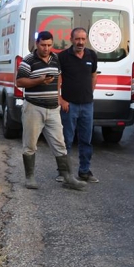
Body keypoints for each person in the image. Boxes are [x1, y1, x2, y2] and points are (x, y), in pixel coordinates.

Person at [16, 31, 85, 191]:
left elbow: (59, 76)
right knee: (30, 144)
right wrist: (39, 80)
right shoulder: (28, 61)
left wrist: (58, 95)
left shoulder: (55, 59)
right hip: (34, 108)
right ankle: (30, 177)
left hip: (53, 108)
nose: (46, 48)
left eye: (49, 45)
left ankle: (68, 177)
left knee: (60, 143)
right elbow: (19, 81)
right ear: (37, 44)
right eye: (43, 45)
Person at [58, 28, 99, 183]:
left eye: (83, 39)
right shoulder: (63, 57)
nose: (80, 42)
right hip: (69, 105)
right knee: (66, 140)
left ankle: (84, 171)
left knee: (86, 140)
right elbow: (58, 79)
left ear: (86, 39)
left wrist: (90, 92)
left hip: (87, 105)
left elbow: (93, 75)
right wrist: (60, 99)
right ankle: (64, 172)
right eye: (77, 39)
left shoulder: (91, 55)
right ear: (71, 39)